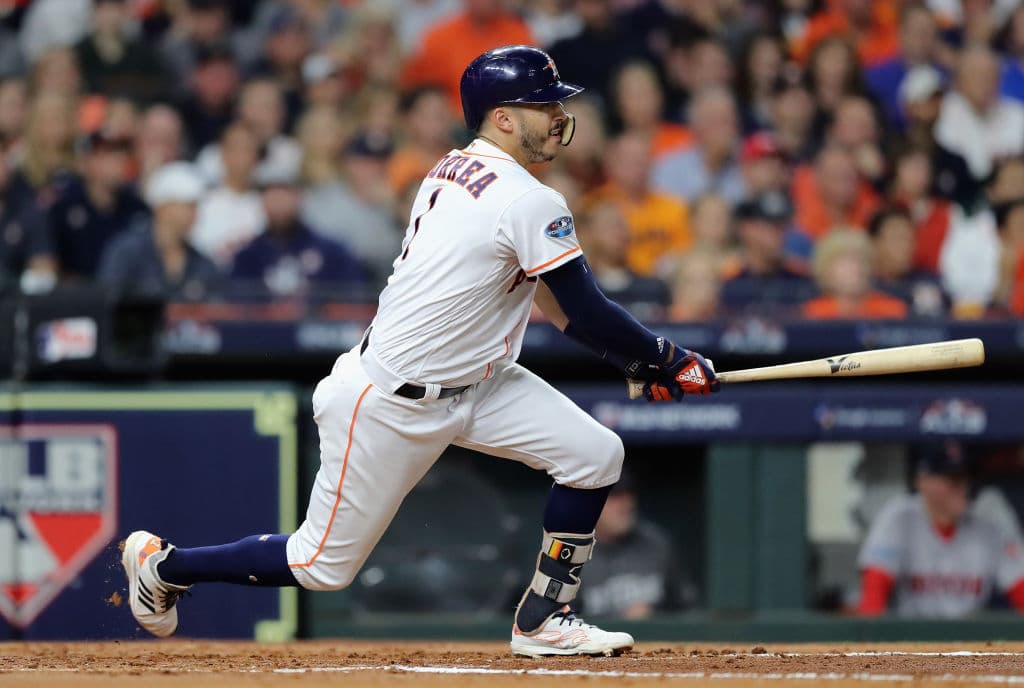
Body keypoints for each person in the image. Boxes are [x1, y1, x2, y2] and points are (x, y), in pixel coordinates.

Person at [120, 45, 718, 658]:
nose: (558, 117)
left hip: (482, 382)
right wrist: (668, 359)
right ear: (503, 118)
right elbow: (587, 310)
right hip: (390, 400)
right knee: (320, 566)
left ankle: (545, 617)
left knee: (595, 455)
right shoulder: (527, 198)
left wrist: (638, 363)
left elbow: (557, 305)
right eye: (543, 104)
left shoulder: (455, 166)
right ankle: (165, 568)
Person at [857, 441, 1024, 618]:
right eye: (952, 479)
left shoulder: (989, 522)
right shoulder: (900, 517)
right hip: (913, 637)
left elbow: (1020, 589)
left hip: (971, 639)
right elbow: (872, 601)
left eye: (965, 477)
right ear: (923, 481)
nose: (962, 487)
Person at [230, 171, 367, 302]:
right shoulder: (247, 257)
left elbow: (351, 305)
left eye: (285, 194)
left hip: (320, 325)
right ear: (262, 202)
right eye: (272, 195)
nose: (279, 203)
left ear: (300, 198)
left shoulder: (333, 253)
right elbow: (238, 313)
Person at [97, 161, 222, 302]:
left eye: (195, 207)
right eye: (188, 205)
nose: (194, 214)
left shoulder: (202, 264)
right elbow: (108, 301)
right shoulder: (126, 253)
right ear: (163, 207)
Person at [579, 471, 694, 618]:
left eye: (629, 495)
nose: (626, 505)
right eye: (614, 497)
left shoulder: (656, 544)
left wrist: (654, 617)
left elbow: (687, 609)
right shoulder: (569, 554)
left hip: (654, 640)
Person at [802, 228, 908, 319]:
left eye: (861, 261)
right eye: (845, 261)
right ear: (826, 270)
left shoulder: (892, 310)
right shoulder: (813, 314)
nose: (856, 268)